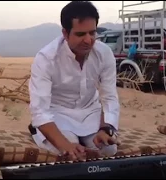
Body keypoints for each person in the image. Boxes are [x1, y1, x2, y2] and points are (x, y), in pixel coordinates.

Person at [28, 1, 120, 161]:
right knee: (71, 152)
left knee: (109, 149)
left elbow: (109, 97)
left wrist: (105, 129)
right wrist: (65, 145)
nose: (88, 40)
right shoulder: (46, 58)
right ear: (65, 33)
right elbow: (40, 110)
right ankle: (39, 131)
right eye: (80, 34)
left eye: (92, 33)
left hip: (91, 113)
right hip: (57, 115)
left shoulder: (104, 53)